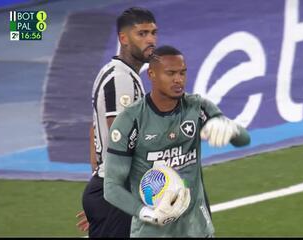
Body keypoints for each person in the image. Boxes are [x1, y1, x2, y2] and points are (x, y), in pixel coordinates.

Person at [103, 45, 251, 237]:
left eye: (182, 73)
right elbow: (111, 187)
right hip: (151, 232)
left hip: (197, 230)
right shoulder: (130, 121)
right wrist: (147, 213)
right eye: (170, 73)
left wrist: (231, 128)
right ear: (152, 75)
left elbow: (244, 140)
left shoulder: (197, 107)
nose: (178, 79)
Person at [77, 7, 157, 237]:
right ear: (123, 38)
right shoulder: (121, 79)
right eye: (141, 33)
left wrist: (101, 187)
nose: (150, 39)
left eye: (153, 32)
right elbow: (120, 138)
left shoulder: (118, 74)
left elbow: (95, 131)